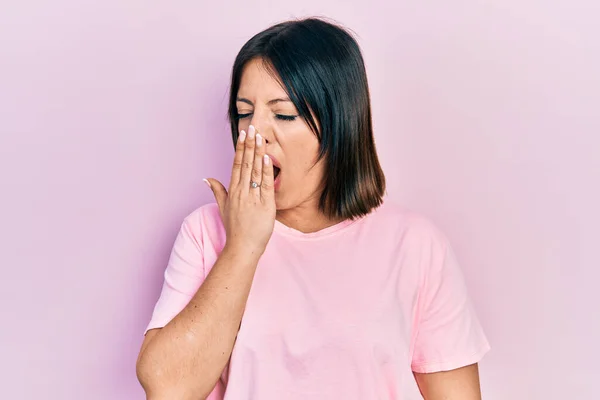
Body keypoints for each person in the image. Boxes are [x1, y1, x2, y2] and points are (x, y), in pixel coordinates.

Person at [136, 17, 490, 400]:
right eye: (243, 112)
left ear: (340, 123)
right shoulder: (205, 233)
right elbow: (168, 388)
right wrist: (242, 246)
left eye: (283, 114)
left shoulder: (416, 246)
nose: (254, 134)